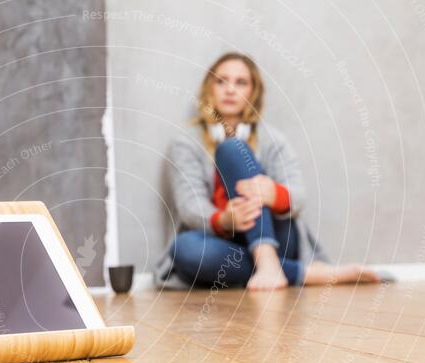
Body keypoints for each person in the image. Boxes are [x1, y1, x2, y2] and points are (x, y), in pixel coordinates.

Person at [154, 52, 381, 291]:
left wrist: (273, 194)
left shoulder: (272, 139)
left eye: (241, 82)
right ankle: (300, 273)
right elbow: (190, 206)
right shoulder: (185, 142)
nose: (230, 89)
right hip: (218, 241)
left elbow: (299, 195)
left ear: (254, 92)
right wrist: (224, 219)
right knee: (185, 250)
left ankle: (268, 259)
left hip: (277, 238)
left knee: (232, 149)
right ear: (208, 88)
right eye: (221, 81)